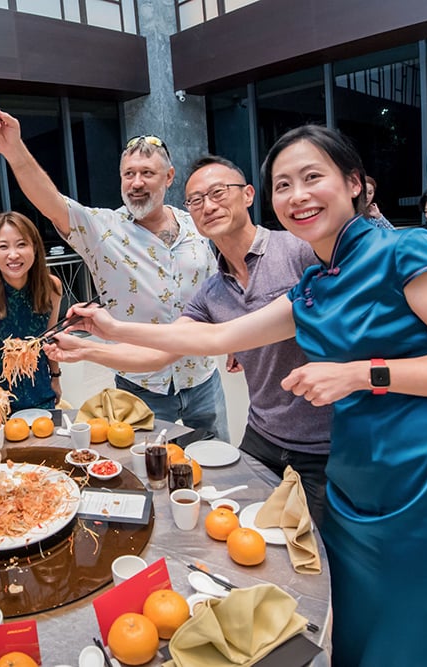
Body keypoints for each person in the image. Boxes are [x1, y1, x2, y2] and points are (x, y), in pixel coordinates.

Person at [64, 125, 427, 667]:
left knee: (415, 643)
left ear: (356, 184)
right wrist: (107, 332)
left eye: (313, 177)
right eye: (284, 184)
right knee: (354, 638)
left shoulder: (405, 250)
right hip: (355, 482)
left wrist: (365, 374)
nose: (297, 196)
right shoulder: (316, 287)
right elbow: (215, 337)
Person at [47, 155, 331, 521]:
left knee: (328, 556)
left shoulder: (297, 251)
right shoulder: (212, 291)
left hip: (326, 444)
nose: (208, 206)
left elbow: (222, 338)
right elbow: (163, 351)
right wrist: (89, 346)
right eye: (196, 201)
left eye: (217, 193)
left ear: (247, 194)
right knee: (240, 523)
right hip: (262, 436)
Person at [0, 109, 229, 440]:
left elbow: (217, 286)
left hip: (202, 377)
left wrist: (234, 340)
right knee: (145, 471)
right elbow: (50, 201)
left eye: (147, 173)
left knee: (218, 464)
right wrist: (13, 149)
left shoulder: (196, 226)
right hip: (140, 385)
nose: (137, 183)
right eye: (128, 174)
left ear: (169, 177)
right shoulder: (103, 229)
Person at [0, 211, 63, 411]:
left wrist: (56, 377)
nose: (13, 254)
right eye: (3, 246)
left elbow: (51, 340)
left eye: (21, 244)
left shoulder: (52, 287)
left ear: (35, 247)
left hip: (42, 394)